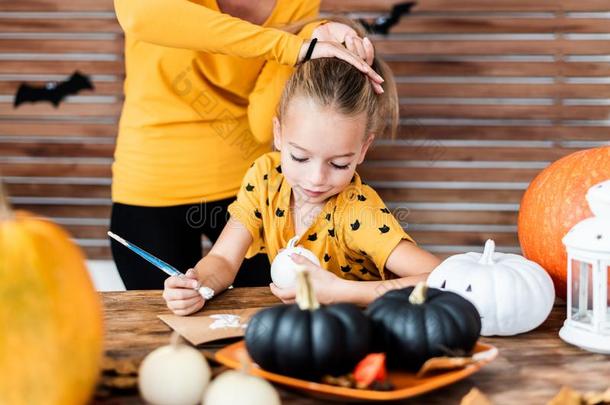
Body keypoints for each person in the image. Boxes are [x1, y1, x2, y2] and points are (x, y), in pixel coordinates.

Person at [162, 29, 442, 315]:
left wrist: (342, 292)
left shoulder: (356, 212)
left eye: (338, 164)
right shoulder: (265, 178)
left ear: (362, 150)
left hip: (361, 333)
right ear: (278, 134)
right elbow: (222, 258)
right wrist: (197, 284)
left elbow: (445, 280)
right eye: (300, 157)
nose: (316, 179)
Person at [110, 0, 384, 289]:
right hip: (150, 184)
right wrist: (293, 47)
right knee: (167, 319)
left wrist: (311, 38)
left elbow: (261, 123)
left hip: (250, 191)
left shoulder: (298, 4)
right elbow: (139, 15)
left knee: (261, 322)